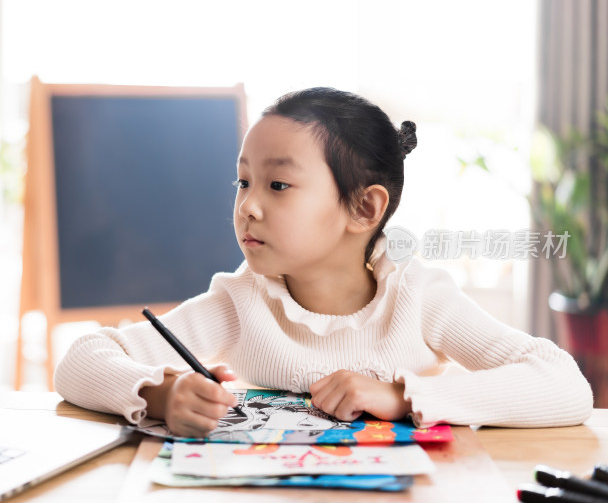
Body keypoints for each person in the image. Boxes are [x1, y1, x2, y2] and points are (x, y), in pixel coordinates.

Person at [54, 87, 593, 437]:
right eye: (243, 181)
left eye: (278, 184)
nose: (248, 205)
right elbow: (79, 359)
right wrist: (158, 392)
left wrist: (404, 397)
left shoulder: (419, 298)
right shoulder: (240, 302)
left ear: (364, 208)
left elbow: (565, 385)